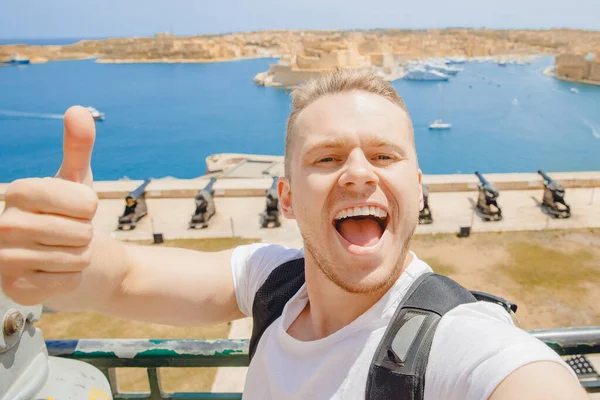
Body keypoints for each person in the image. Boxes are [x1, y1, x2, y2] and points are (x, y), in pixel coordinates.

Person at [0, 69, 587, 400]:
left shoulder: (458, 342)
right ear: (285, 197)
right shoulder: (272, 283)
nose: (359, 171)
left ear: (419, 188)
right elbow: (124, 277)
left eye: (384, 154)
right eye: (327, 158)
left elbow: (526, 379)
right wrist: (65, 263)